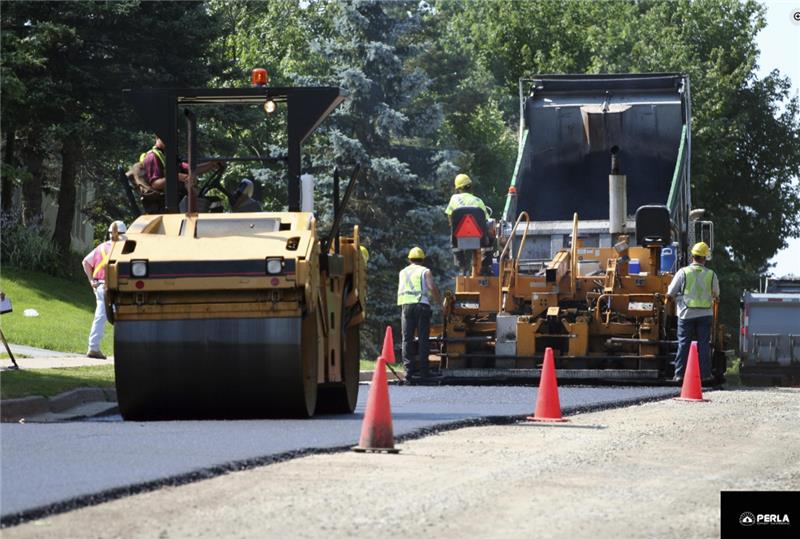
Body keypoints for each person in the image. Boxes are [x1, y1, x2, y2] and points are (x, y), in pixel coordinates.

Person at [666, 242, 720, 382]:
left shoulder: (683, 272)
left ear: (692, 256)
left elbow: (670, 293)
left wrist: (674, 299)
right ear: (705, 258)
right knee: (703, 345)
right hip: (705, 314)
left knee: (683, 343)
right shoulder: (711, 275)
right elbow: (716, 295)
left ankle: (679, 375)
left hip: (686, 313)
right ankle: (705, 375)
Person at [81, 221, 127, 359]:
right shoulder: (122, 248)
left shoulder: (101, 247)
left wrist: (91, 281)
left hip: (100, 286)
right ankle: (125, 349)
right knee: (123, 317)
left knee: (100, 316)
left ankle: (93, 347)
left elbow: (85, 262)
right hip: (115, 287)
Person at [397, 247, 442, 382]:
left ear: (409, 259)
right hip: (421, 306)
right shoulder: (425, 271)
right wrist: (440, 303)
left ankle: (408, 372)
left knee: (407, 339)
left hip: (406, 306)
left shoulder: (402, 272)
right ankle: (424, 371)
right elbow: (431, 287)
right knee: (423, 339)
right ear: (422, 260)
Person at [444, 173, 491, 275]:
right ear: (470, 187)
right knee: (491, 239)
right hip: (479, 238)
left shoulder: (454, 199)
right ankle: (485, 266)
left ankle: (461, 266)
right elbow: (486, 221)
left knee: (453, 242)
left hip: (459, 238)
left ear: (458, 188)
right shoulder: (478, 201)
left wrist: (456, 228)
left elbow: (450, 217)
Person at [140, 135, 222, 192]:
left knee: (214, 202)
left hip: (181, 199)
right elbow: (155, 184)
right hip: (167, 205)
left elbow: (192, 169)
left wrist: (212, 164)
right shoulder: (152, 157)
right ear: (157, 137)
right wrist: (176, 177)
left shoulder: (168, 156)